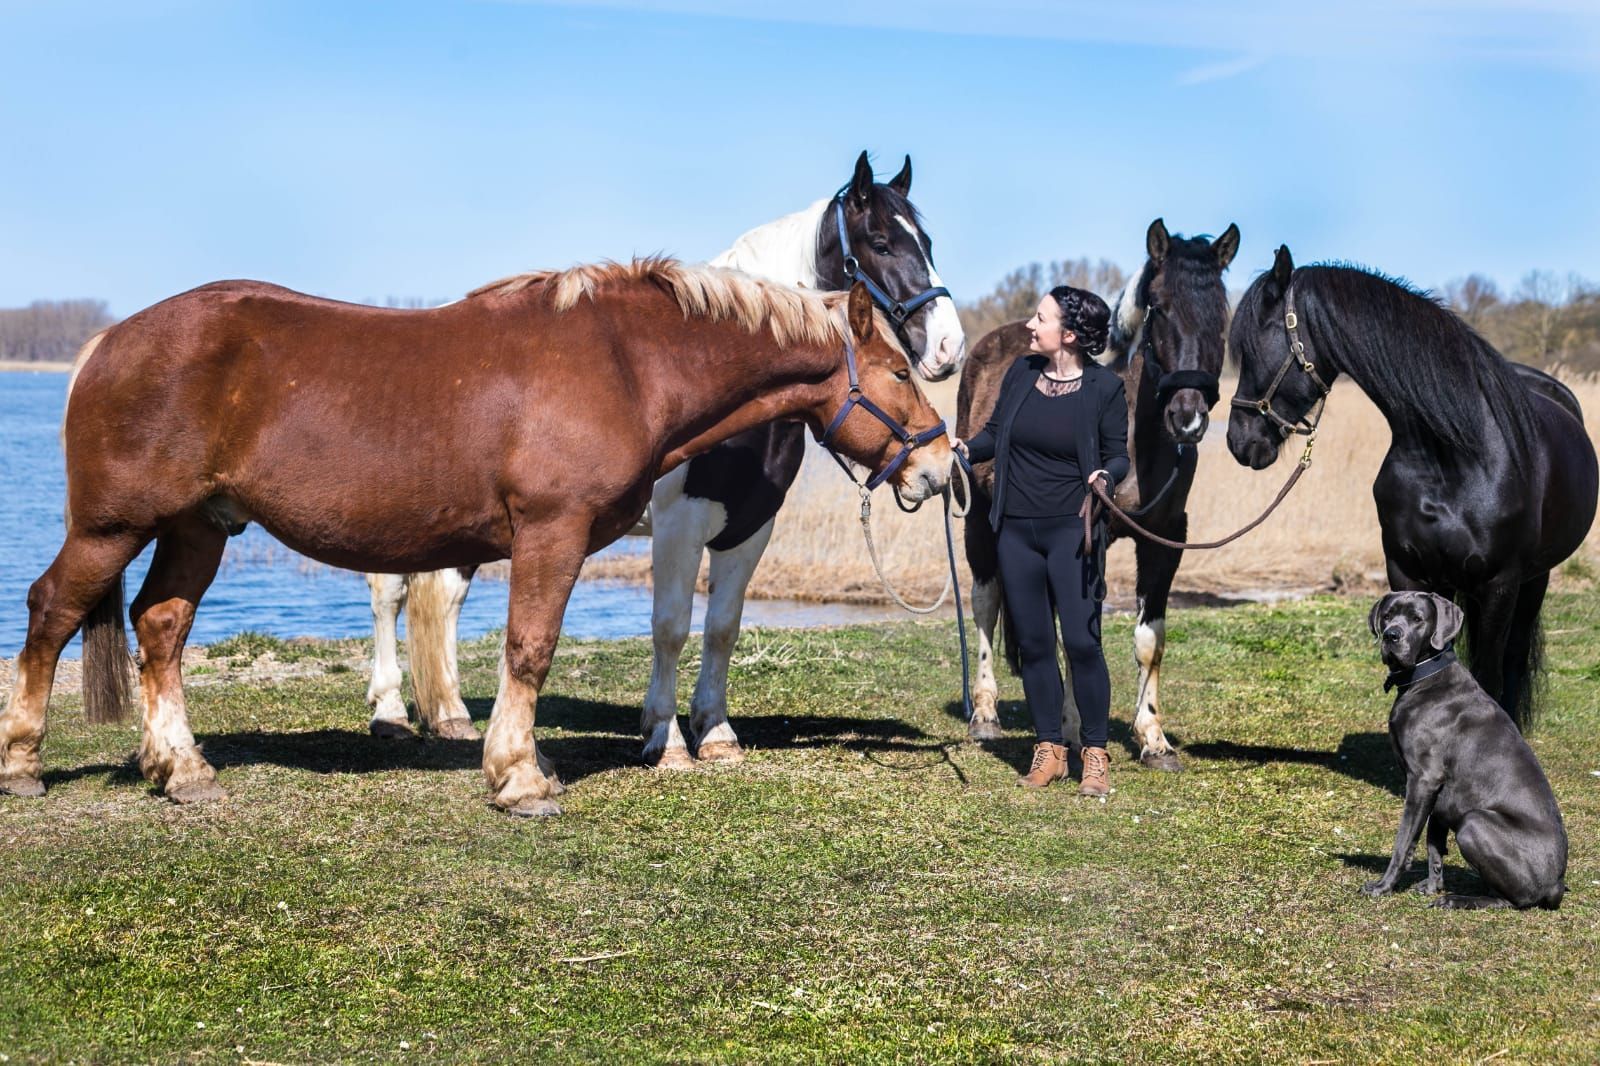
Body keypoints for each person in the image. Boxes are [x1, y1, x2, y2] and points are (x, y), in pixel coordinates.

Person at [955, 286, 1130, 795]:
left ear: (1069, 335)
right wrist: (964, 448)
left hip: (1073, 533)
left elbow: (1118, 454)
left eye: (1041, 318)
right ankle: (1050, 748)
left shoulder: (1104, 387)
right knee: (1033, 645)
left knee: (1081, 643)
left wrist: (1106, 476)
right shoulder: (1021, 373)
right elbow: (995, 434)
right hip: (1015, 531)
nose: (1030, 325)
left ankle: (1094, 754)